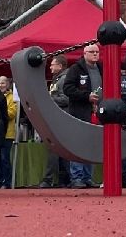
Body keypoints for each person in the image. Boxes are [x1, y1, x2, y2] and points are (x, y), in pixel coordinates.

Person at [63, 44, 103, 188]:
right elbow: (67, 88)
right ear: (84, 53)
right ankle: (77, 177)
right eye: (92, 52)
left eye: (97, 52)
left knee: (91, 145)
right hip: (80, 113)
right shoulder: (75, 69)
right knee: (79, 144)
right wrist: (86, 96)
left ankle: (87, 176)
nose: (95, 55)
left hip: (97, 112)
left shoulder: (101, 68)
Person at [40, 55, 70, 188]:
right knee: (60, 150)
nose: (51, 67)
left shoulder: (62, 80)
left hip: (61, 118)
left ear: (60, 66)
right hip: (59, 118)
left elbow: (66, 99)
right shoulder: (57, 79)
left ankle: (48, 178)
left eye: (53, 64)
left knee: (54, 150)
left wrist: (48, 99)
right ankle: (64, 178)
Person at [0, 76, 17, 188]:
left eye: (2, 83)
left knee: (4, 158)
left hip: (8, 132)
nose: (0, 85)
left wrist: (0, 111)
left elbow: (12, 113)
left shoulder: (12, 97)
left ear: (7, 84)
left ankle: (6, 181)